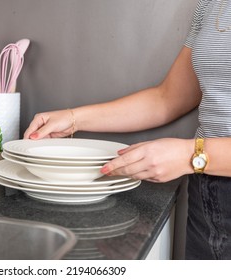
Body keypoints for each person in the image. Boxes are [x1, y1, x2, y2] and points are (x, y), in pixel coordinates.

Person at [23, 0, 231, 260]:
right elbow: (169, 98)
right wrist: (74, 118)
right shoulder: (212, 3)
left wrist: (192, 154)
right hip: (208, 194)